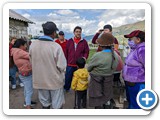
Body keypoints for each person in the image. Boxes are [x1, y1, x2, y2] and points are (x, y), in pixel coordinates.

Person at [29, 21, 66, 109]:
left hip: (40, 80)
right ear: (54, 33)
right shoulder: (56, 46)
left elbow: (31, 61)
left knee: (45, 103)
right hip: (54, 81)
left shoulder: (33, 45)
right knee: (57, 105)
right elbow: (62, 66)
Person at [88, 33, 119, 109]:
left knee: (98, 102)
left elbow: (89, 68)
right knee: (106, 98)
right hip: (108, 80)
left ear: (101, 45)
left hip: (96, 82)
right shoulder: (115, 55)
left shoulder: (97, 55)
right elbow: (114, 68)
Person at [123, 30, 145, 109]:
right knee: (132, 102)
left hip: (137, 83)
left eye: (130, 39)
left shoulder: (142, 49)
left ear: (138, 40)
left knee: (136, 104)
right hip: (131, 82)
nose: (129, 41)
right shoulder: (134, 49)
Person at [11, 39, 36, 109]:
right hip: (26, 73)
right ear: (21, 45)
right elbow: (30, 55)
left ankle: (27, 102)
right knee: (29, 91)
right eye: (25, 45)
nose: (26, 47)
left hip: (23, 72)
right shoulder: (19, 52)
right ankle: (28, 107)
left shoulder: (15, 50)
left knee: (26, 89)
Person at [64, 26, 89, 92]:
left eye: (79, 32)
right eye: (77, 32)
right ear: (74, 32)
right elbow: (66, 51)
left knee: (80, 78)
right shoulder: (69, 41)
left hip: (79, 64)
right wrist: (66, 60)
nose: (78, 33)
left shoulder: (84, 42)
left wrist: (84, 58)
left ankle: (79, 89)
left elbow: (86, 51)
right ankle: (66, 88)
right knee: (68, 78)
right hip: (70, 63)